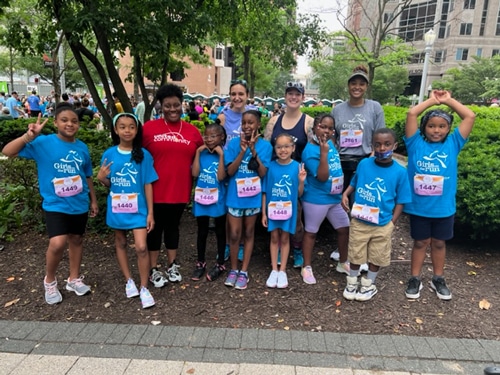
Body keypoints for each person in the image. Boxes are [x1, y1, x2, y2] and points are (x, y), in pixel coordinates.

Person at [1, 105, 98, 304]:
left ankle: (73, 278)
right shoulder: (43, 143)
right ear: (55, 123)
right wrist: (28, 136)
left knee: (77, 240)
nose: (70, 124)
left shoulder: (82, 147)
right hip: (55, 203)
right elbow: (7, 151)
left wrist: (93, 200)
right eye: (64, 120)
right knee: (58, 243)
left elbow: (87, 175)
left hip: (78, 202)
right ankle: (50, 280)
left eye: (74, 121)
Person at [403, 90, 475, 301]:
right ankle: (415, 278)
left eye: (442, 126)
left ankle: (438, 278)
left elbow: (469, 116)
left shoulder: (453, 144)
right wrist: (432, 100)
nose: (436, 130)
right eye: (432, 126)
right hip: (419, 207)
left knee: (439, 243)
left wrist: (448, 100)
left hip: (443, 208)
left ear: (448, 128)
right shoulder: (414, 143)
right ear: (424, 127)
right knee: (419, 242)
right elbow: (411, 114)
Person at [142, 84, 203, 287]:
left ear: (182, 104)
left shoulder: (193, 132)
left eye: (176, 105)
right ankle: (153, 269)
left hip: (179, 190)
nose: (172, 109)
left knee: (173, 228)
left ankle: (172, 264)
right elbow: (134, 154)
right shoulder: (148, 129)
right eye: (167, 105)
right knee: (154, 230)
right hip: (154, 190)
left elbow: (203, 155)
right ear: (161, 106)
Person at [341, 128, 411, 302]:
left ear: (394, 146)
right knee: (356, 253)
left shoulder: (400, 172)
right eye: (377, 144)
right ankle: (352, 282)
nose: (382, 148)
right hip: (360, 221)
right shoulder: (364, 164)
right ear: (372, 145)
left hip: (382, 223)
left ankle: (368, 285)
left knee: (377, 255)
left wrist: (392, 223)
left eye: (387, 144)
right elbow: (355, 182)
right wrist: (345, 193)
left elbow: (401, 200)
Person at [97, 113, 158, 309]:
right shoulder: (109, 154)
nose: (127, 130)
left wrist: (150, 213)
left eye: (131, 126)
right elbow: (109, 183)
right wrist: (101, 178)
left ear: (137, 129)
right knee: (121, 241)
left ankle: (144, 287)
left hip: (138, 210)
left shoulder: (144, 155)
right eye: (122, 127)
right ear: (115, 130)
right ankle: (129, 280)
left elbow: (148, 184)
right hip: (118, 208)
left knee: (141, 246)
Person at [330, 65, 385, 262]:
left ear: (366, 87)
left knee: (362, 206)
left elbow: (381, 135)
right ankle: (344, 248)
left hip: (365, 162)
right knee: (342, 206)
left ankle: (362, 251)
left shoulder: (374, 107)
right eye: (354, 83)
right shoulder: (338, 110)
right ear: (348, 85)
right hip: (342, 162)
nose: (357, 87)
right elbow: (332, 137)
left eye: (361, 84)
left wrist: (373, 156)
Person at [264, 81, 314, 269]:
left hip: (297, 174)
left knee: (297, 216)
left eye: (297, 94)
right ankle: (276, 249)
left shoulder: (308, 122)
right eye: (290, 94)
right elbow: (266, 147)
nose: (293, 97)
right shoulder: (274, 121)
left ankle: (297, 248)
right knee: (277, 214)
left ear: (302, 97)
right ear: (285, 97)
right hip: (277, 173)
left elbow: (313, 149)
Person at [224, 110, 272, 290]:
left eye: (250, 123)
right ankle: (234, 269)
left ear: (258, 124)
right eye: (244, 123)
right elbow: (229, 171)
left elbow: (263, 172)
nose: (246, 126)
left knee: (249, 232)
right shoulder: (234, 144)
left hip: (253, 198)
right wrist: (242, 151)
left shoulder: (266, 146)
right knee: (235, 234)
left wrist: (253, 151)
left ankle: (244, 271)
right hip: (235, 197)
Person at [300, 114, 351, 285]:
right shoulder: (311, 151)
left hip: (334, 198)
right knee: (311, 232)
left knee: (344, 229)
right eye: (323, 126)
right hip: (316, 199)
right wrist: (323, 154)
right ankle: (306, 267)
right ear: (314, 127)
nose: (326, 131)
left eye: (330, 128)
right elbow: (322, 177)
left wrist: (342, 194)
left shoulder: (329, 144)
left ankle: (343, 262)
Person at [262, 133, 306, 289]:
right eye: (279, 147)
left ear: (293, 148)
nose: (283, 150)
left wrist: (301, 181)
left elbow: (299, 193)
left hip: (289, 210)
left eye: (286, 146)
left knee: (286, 238)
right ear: (275, 149)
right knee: (274, 237)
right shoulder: (271, 166)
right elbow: (265, 191)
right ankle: (274, 269)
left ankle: (282, 270)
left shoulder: (297, 167)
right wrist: (264, 213)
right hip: (273, 210)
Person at [191, 123, 228, 282]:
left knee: (220, 231)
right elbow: (194, 173)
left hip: (218, 200)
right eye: (206, 136)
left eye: (213, 136)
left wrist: (220, 156)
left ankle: (220, 263)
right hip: (201, 198)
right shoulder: (201, 153)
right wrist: (198, 153)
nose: (209, 139)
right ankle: (201, 262)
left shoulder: (225, 154)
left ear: (221, 138)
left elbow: (221, 177)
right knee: (202, 231)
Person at [218, 79, 250, 261]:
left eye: (241, 94)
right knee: (227, 211)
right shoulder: (222, 117)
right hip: (228, 168)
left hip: (246, 170)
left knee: (245, 210)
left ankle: (242, 245)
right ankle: (228, 245)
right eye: (233, 94)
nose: (237, 98)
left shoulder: (251, 115)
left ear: (247, 96)